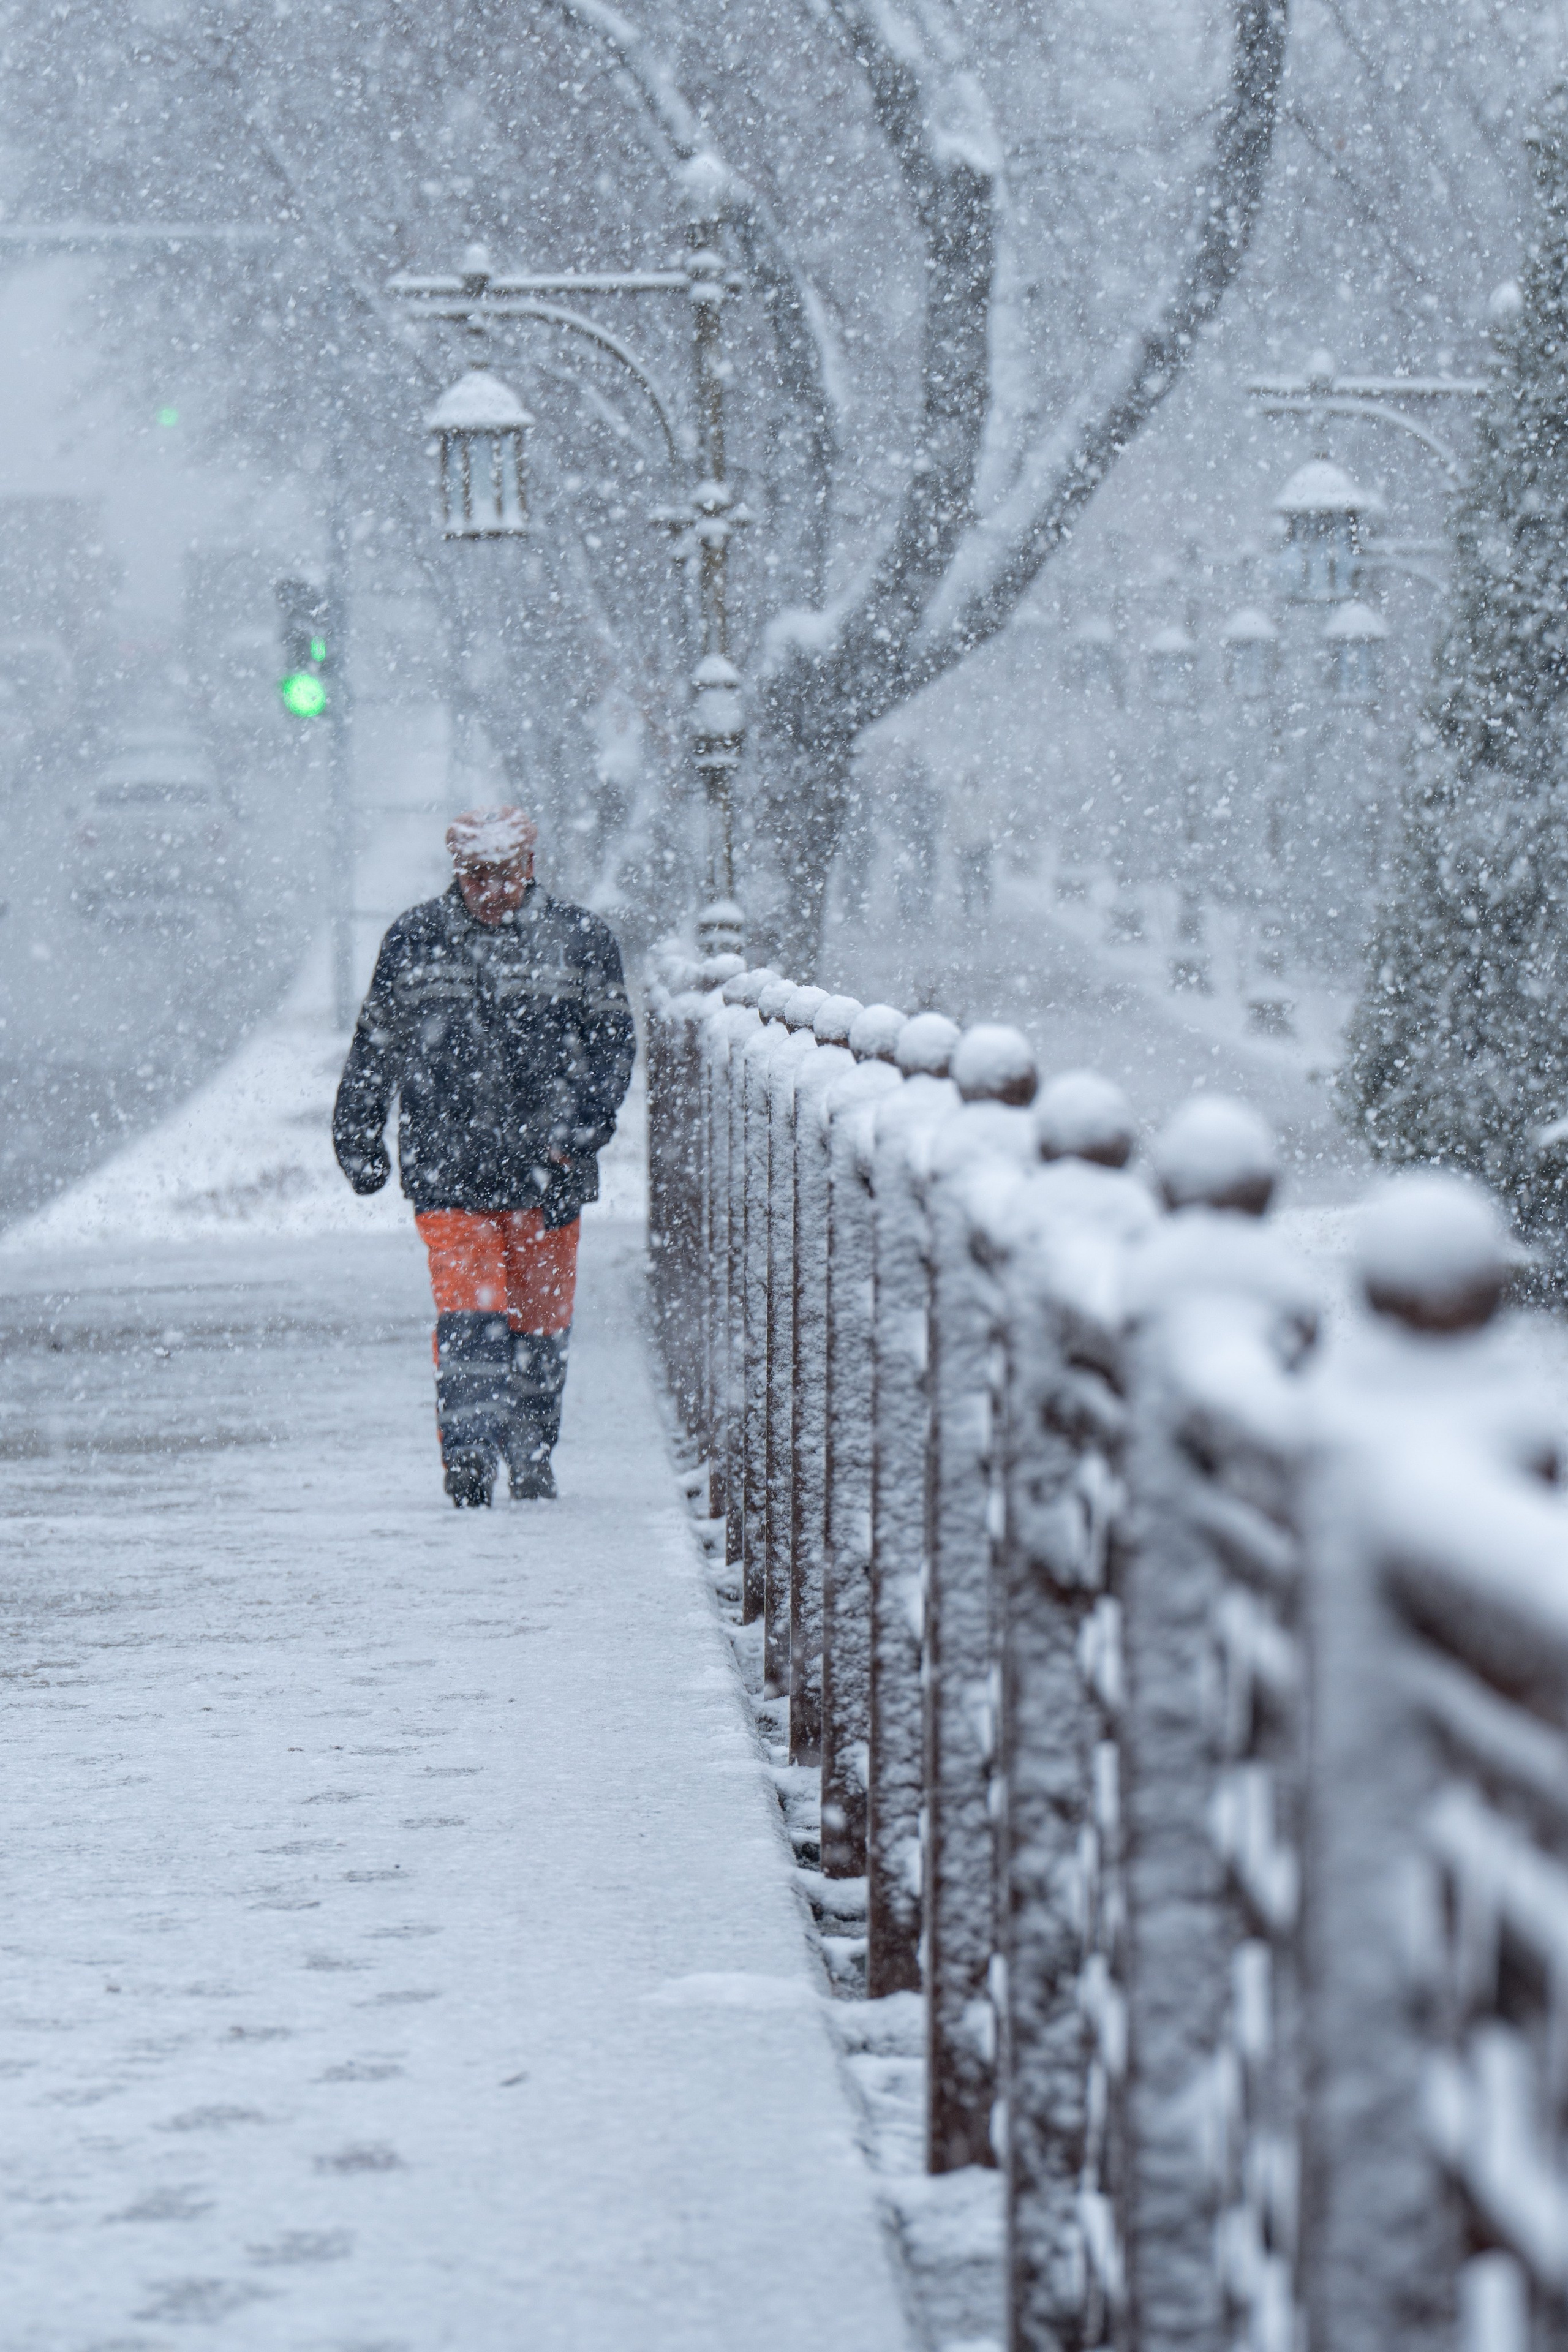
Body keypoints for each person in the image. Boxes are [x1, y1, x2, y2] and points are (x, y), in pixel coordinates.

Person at [332, 806, 636, 1507]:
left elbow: (612, 1048)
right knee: (470, 1316)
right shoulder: (414, 940)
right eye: (476, 877)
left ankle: (531, 1452)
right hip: (450, 1173)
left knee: (539, 1325)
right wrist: (357, 1134)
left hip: (550, 1175)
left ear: (530, 866)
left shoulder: (582, 941)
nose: (491, 891)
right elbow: (376, 1044)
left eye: (504, 875)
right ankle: (469, 1459)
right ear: (456, 871)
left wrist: (580, 1132)